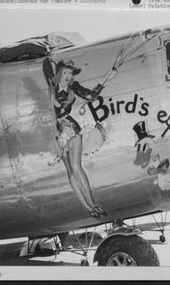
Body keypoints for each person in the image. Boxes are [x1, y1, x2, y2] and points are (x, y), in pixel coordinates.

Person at [45, 58, 107, 219]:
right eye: (64, 72)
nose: (67, 75)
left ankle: (93, 202)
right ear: (59, 73)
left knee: (76, 166)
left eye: (70, 73)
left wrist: (107, 78)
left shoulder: (73, 86)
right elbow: (46, 65)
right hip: (58, 132)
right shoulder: (52, 84)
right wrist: (51, 60)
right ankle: (89, 208)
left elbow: (91, 96)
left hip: (70, 128)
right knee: (71, 173)